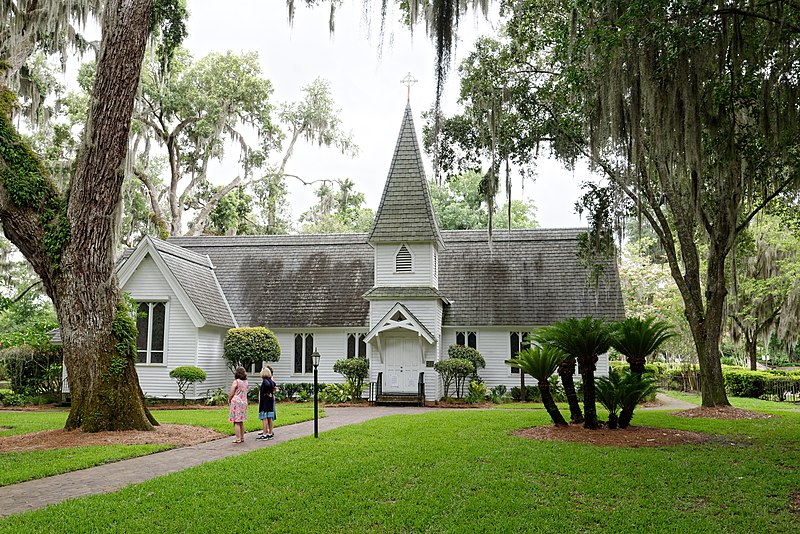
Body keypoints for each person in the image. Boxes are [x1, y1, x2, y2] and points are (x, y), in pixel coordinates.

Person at [228, 366, 249, 444]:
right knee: (241, 421)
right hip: (244, 402)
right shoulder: (246, 382)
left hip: (236, 402)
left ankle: (238, 438)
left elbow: (231, 393)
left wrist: (229, 399)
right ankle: (242, 437)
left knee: (236, 421)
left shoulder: (236, 382)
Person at [258, 366, 276, 440]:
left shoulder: (265, 382)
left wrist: (265, 393)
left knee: (264, 417)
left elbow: (264, 391)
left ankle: (265, 433)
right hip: (270, 402)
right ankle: (270, 432)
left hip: (264, 402)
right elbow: (273, 388)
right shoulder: (271, 382)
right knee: (270, 418)